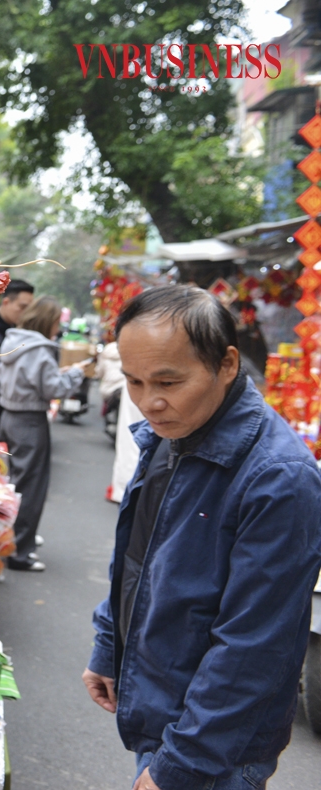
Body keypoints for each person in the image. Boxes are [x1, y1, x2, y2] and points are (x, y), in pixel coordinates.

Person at [82, 286, 321, 790]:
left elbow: (254, 647)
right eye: (134, 382)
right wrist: (110, 645)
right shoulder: (177, 431)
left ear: (227, 364)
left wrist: (181, 766)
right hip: (164, 711)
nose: (150, 401)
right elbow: (137, 553)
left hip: (214, 750)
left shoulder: (279, 478)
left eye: (169, 381)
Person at [0, 296, 91, 571]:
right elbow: (53, 389)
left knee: (11, 484)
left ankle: (7, 541)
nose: (57, 329)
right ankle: (19, 552)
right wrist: (74, 375)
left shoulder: (13, 341)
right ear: (47, 322)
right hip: (29, 421)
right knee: (30, 488)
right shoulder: (41, 350)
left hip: (8, 416)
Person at [0, 279, 35, 443]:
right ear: (6, 302)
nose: (26, 313)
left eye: (30, 309)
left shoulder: (9, 331)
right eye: (22, 307)